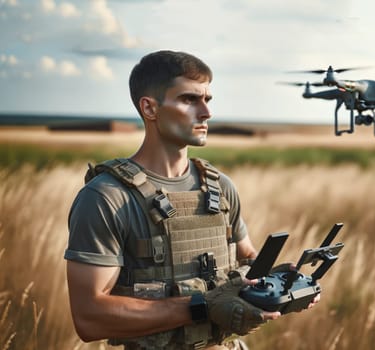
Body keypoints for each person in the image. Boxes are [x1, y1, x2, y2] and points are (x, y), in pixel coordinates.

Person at [64, 50, 317, 350]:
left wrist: (277, 284)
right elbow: (90, 318)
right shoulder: (107, 198)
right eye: (189, 99)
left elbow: (248, 258)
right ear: (150, 108)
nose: (206, 112)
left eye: (207, 100)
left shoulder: (220, 187)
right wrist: (202, 306)